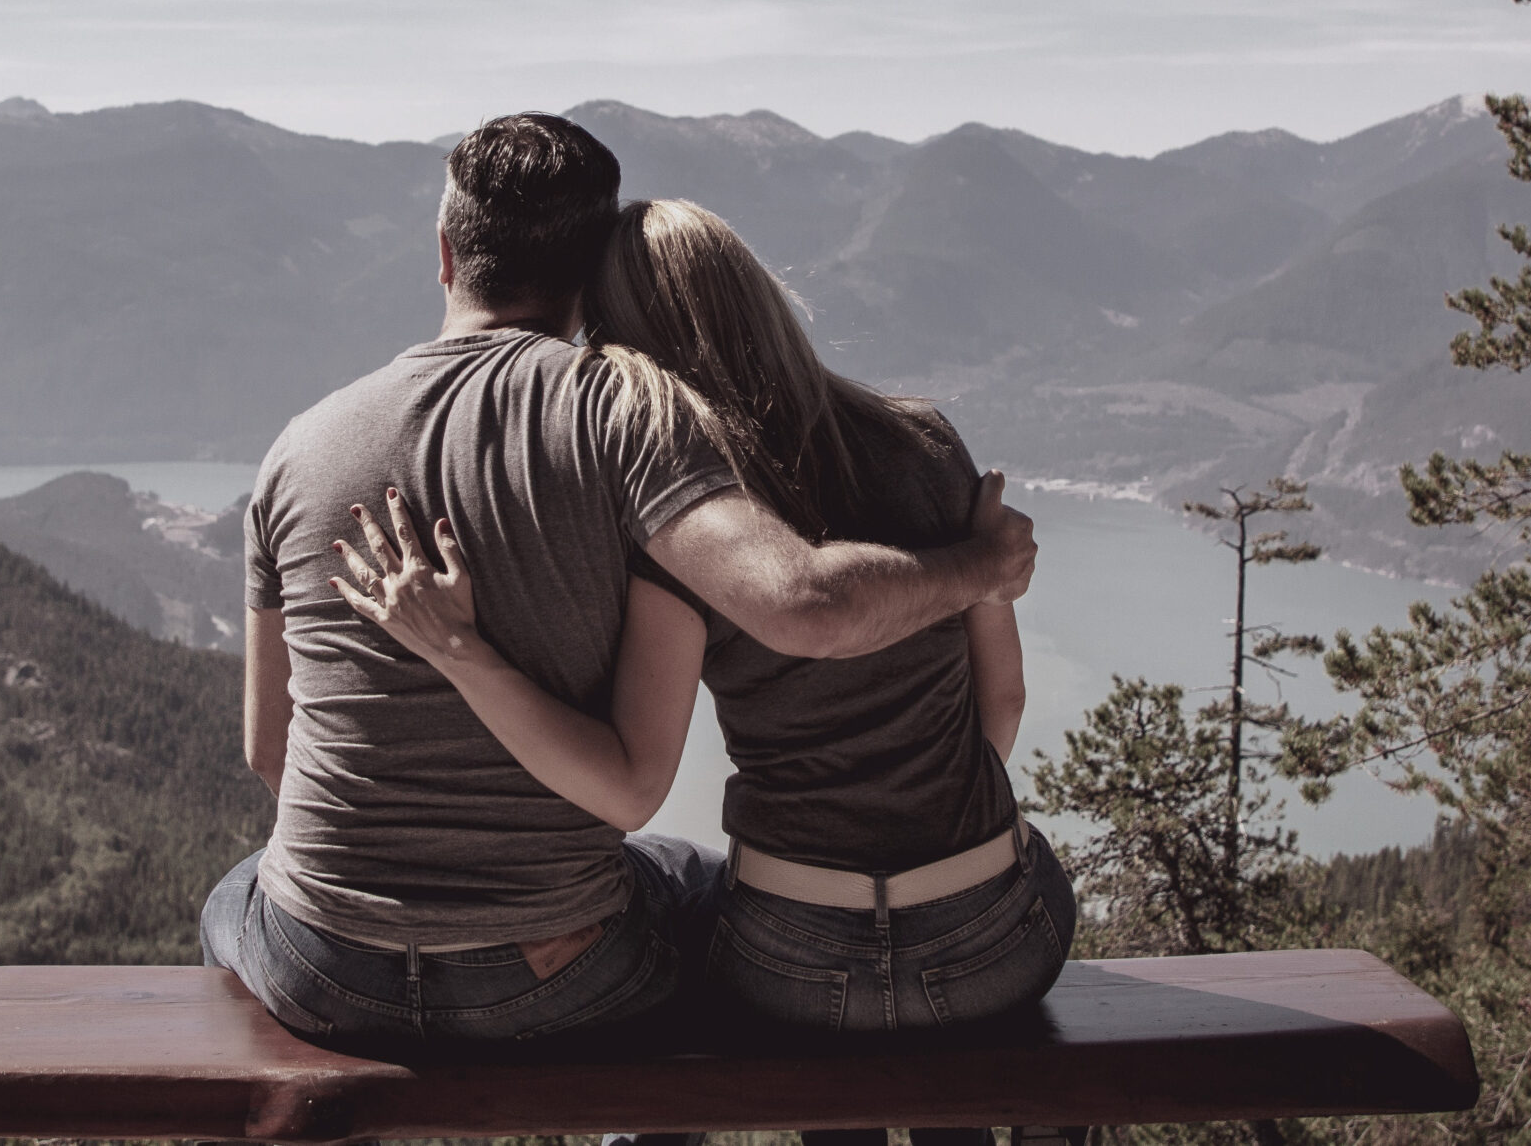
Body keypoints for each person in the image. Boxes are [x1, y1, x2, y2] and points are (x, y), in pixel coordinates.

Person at [202, 118, 1037, 1045]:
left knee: (234, 896)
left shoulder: (296, 448)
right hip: (556, 969)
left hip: (324, 965)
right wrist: (980, 568)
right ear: (591, 272)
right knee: (687, 883)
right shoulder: (627, 419)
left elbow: (271, 754)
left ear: (444, 253)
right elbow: (800, 611)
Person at [337, 197, 1075, 1140]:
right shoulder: (926, 444)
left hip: (796, 948)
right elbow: (1000, 703)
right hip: (991, 936)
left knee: (694, 927)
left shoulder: (690, 529)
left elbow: (635, 768)